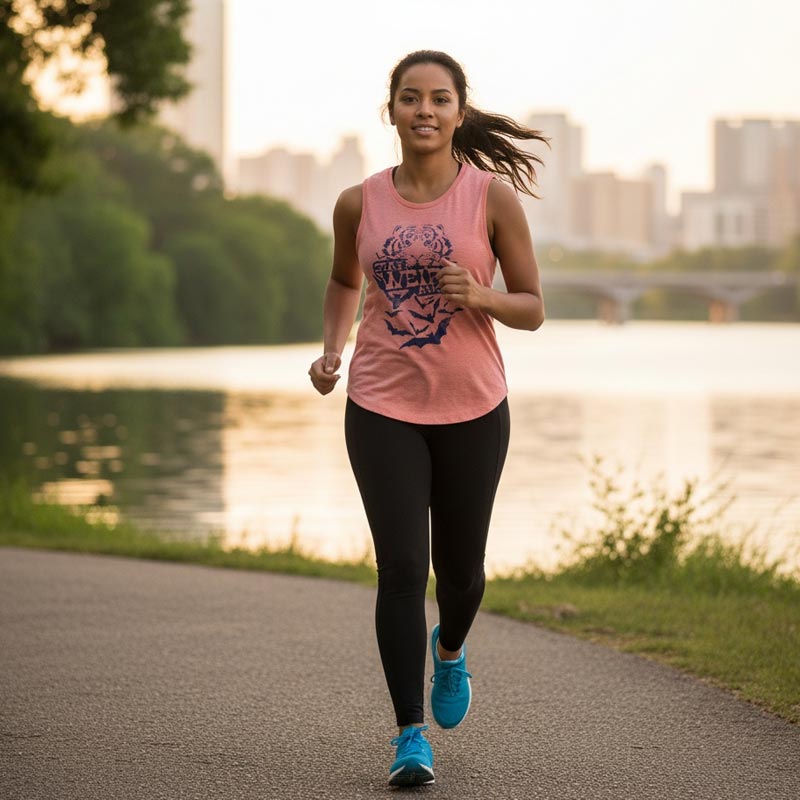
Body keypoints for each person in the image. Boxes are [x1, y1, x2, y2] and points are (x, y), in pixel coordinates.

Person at [308, 49, 547, 786]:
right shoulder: (360, 202)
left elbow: (533, 309)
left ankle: (451, 649)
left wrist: (481, 297)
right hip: (381, 403)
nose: (425, 111)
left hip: (474, 405)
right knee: (403, 567)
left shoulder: (491, 199)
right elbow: (346, 279)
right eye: (410, 98)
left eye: (439, 99)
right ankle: (410, 735)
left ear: (459, 111)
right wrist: (330, 350)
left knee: (463, 576)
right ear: (392, 111)